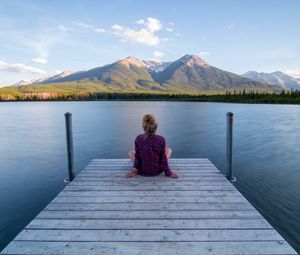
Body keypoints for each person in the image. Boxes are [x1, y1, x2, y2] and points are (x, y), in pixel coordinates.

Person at [126, 114, 179, 179]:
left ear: (143, 127)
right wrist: (169, 173)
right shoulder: (161, 139)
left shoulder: (138, 138)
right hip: (157, 171)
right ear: (155, 126)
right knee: (168, 150)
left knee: (131, 152)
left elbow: (138, 157)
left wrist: (134, 171)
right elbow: (163, 159)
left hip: (142, 170)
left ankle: (136, 170)